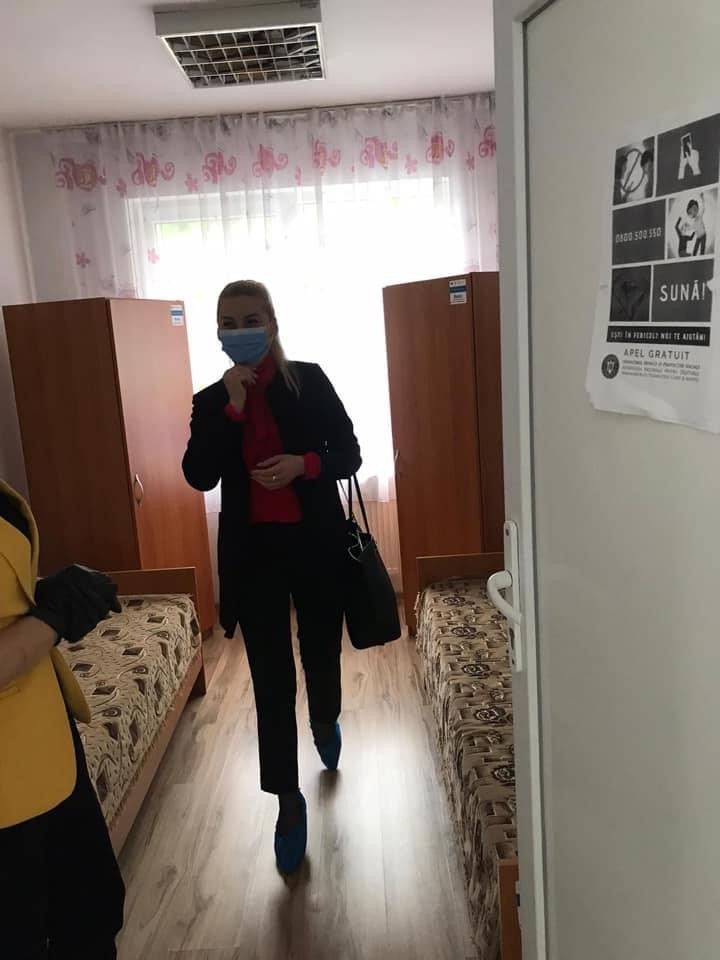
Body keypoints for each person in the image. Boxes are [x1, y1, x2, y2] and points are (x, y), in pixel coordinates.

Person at [182, 280, 361, 875]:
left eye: (250, 319)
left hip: (315, 546)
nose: (240, 331)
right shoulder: (211, 401)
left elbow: (349, 454)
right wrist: (232, 409)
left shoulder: (308, 380)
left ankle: (325, 715)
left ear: (273, 323)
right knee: (270, 680)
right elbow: (199, 476)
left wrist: (303, 465)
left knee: (320, 650)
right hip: (253, 556)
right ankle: (287, 799)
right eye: (228, 322)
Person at [0, 479, 126, 958]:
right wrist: (52, 617)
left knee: (92, 913)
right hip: (8, 788)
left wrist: (38, 595)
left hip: (47, 737)